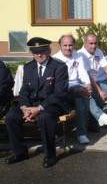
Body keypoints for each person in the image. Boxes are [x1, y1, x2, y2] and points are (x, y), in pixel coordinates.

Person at [4, 37, 68, 168]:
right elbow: (24, 91)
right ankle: (20, 152)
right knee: (11, 116)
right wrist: (24, 108)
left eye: (42, 51)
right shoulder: (28, 67)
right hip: (31, 105)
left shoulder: (59, 67)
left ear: (49, 50)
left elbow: (59, 93)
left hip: (52, 105)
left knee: (45, 117)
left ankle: (50, 155)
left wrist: (39, 108)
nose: (39, 54)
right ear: (32, 53)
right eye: (35, 52)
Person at [53, 34, 107, 144]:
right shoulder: (55, 60)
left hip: (77, 89)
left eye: (70, 45)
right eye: (65, 45)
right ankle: (98, 117)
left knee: (81, 101)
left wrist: (87, 84)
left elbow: (82, 72)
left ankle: (82, 134)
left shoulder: (77, 56)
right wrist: (78, 89)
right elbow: (58, 83)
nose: (68, 48)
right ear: (60, 46)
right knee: (82, 94)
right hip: (63, 91)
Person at [78, 33, 107, 130]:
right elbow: (88, 76)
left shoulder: (98, 51)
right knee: (98, 96)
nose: (94, 46)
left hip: (97, 81)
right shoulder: (80, 55)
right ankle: (93, 124)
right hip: (86, 83)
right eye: (91, 43)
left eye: (95, 43)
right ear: (85, 43)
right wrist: (100, 91)